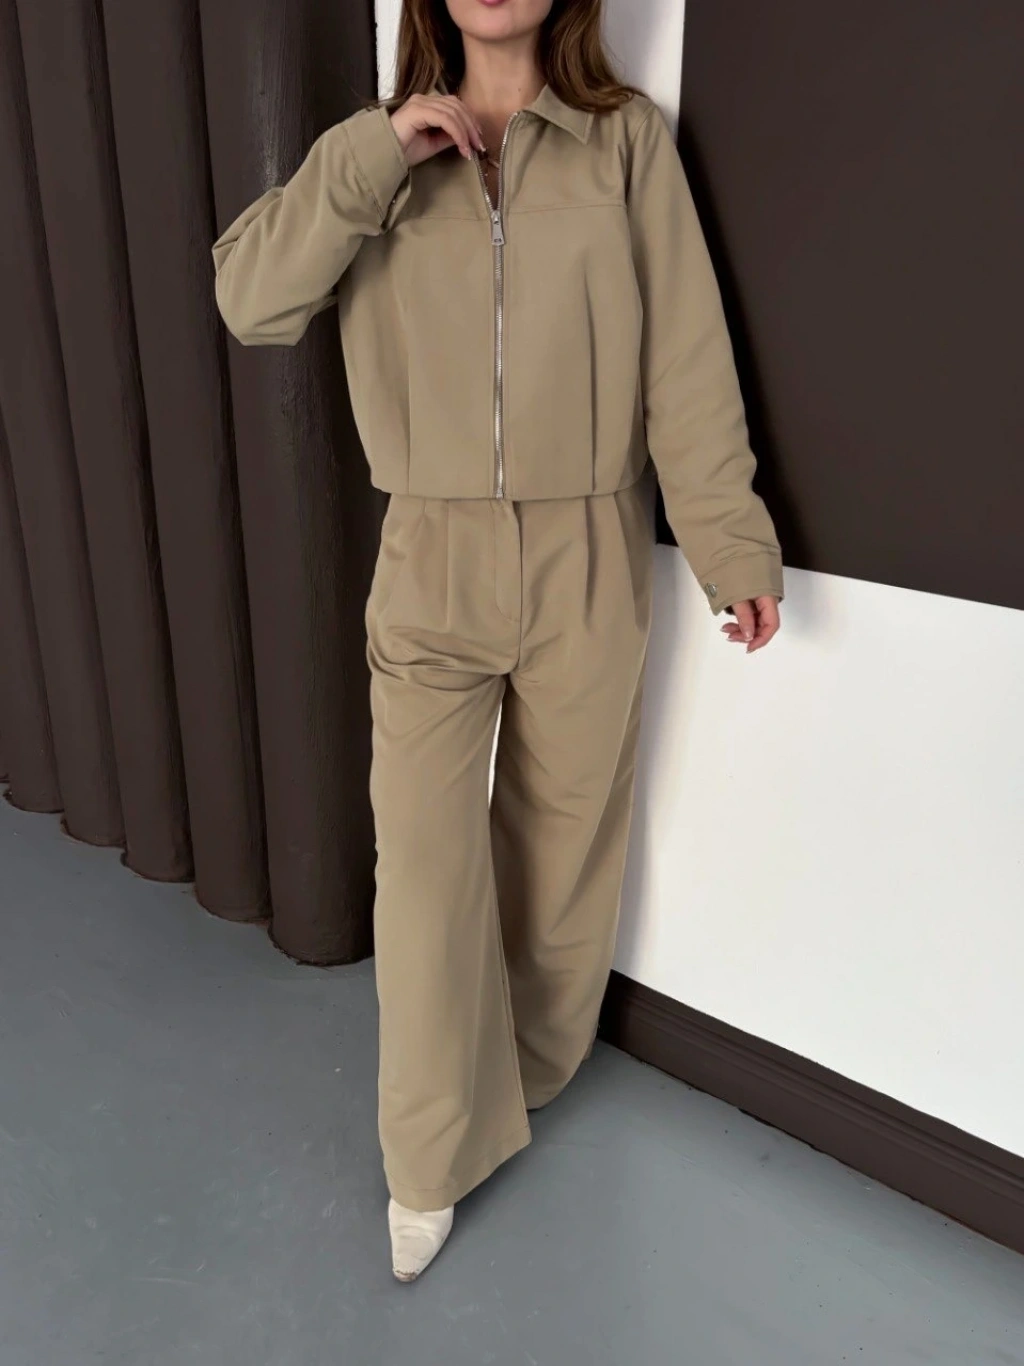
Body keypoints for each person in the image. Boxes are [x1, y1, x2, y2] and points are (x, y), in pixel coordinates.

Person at [212, 0, 783, 1282]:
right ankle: (425, 1157)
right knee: (423, 864)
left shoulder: (624, 141)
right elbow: (249, 299)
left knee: (563, 848)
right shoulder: (375, 152)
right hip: (432, 551)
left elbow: (685, 362)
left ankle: (516, 1079)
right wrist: (373, 156)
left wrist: (729, 542)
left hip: (591, 546)